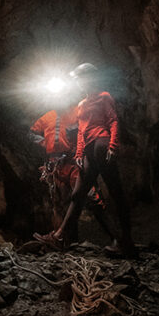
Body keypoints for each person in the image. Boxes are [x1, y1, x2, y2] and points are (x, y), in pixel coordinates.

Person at [35, 64, 136, 257]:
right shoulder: (82, 104)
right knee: (78, 194)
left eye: (79, 79)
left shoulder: (104, 96)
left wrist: (113, 146)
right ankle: (59, 236)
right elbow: (81, 132)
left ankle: (127, 243)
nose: (77, 83)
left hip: (102, 145)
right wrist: (79, 154)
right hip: (89, 150)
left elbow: (113, 121)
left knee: (116, 193)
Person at [29, 105, 114, 245]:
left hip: (75, 163)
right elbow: (31, 133)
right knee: (60, 204)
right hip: (56, 166)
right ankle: (66, 242)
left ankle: (117, 238)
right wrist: (45, 143)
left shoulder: (78, 112)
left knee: (92, 199)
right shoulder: (49, 115)